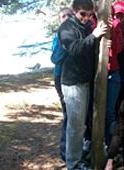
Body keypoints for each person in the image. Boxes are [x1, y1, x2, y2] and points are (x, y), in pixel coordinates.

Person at [57, 0, 108, 169]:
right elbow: (76, 49)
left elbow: (90, 49)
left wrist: (103, 44)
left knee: (81, 124)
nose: (86, 18)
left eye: (89, 14)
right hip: (72, 84)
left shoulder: (84, 26)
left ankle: (78, 158)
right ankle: (73, 163)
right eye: (82, 14)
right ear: (74, 11)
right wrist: (94, 35)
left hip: (85, 82)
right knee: (75, 126)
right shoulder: (66, 28)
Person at [104, 0, 124, 148]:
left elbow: (118, 49)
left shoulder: (119, 27)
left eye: (122, 15)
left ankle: (111, 147)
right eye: (117, 14)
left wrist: (114, 30)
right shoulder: (100, 22)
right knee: (97, 112)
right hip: (99, 73)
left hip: (114, 73)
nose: (119, 18)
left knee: (111, 113)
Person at [50, 7, 72, 162]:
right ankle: (65, 153)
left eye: (68, 15)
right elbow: (55, 58)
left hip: (73, 78)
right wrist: (68, 46)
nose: (65, 18)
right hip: (60, 78)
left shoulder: (77, 30)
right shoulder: (59, 35)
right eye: (62, 16)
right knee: (69, 116)